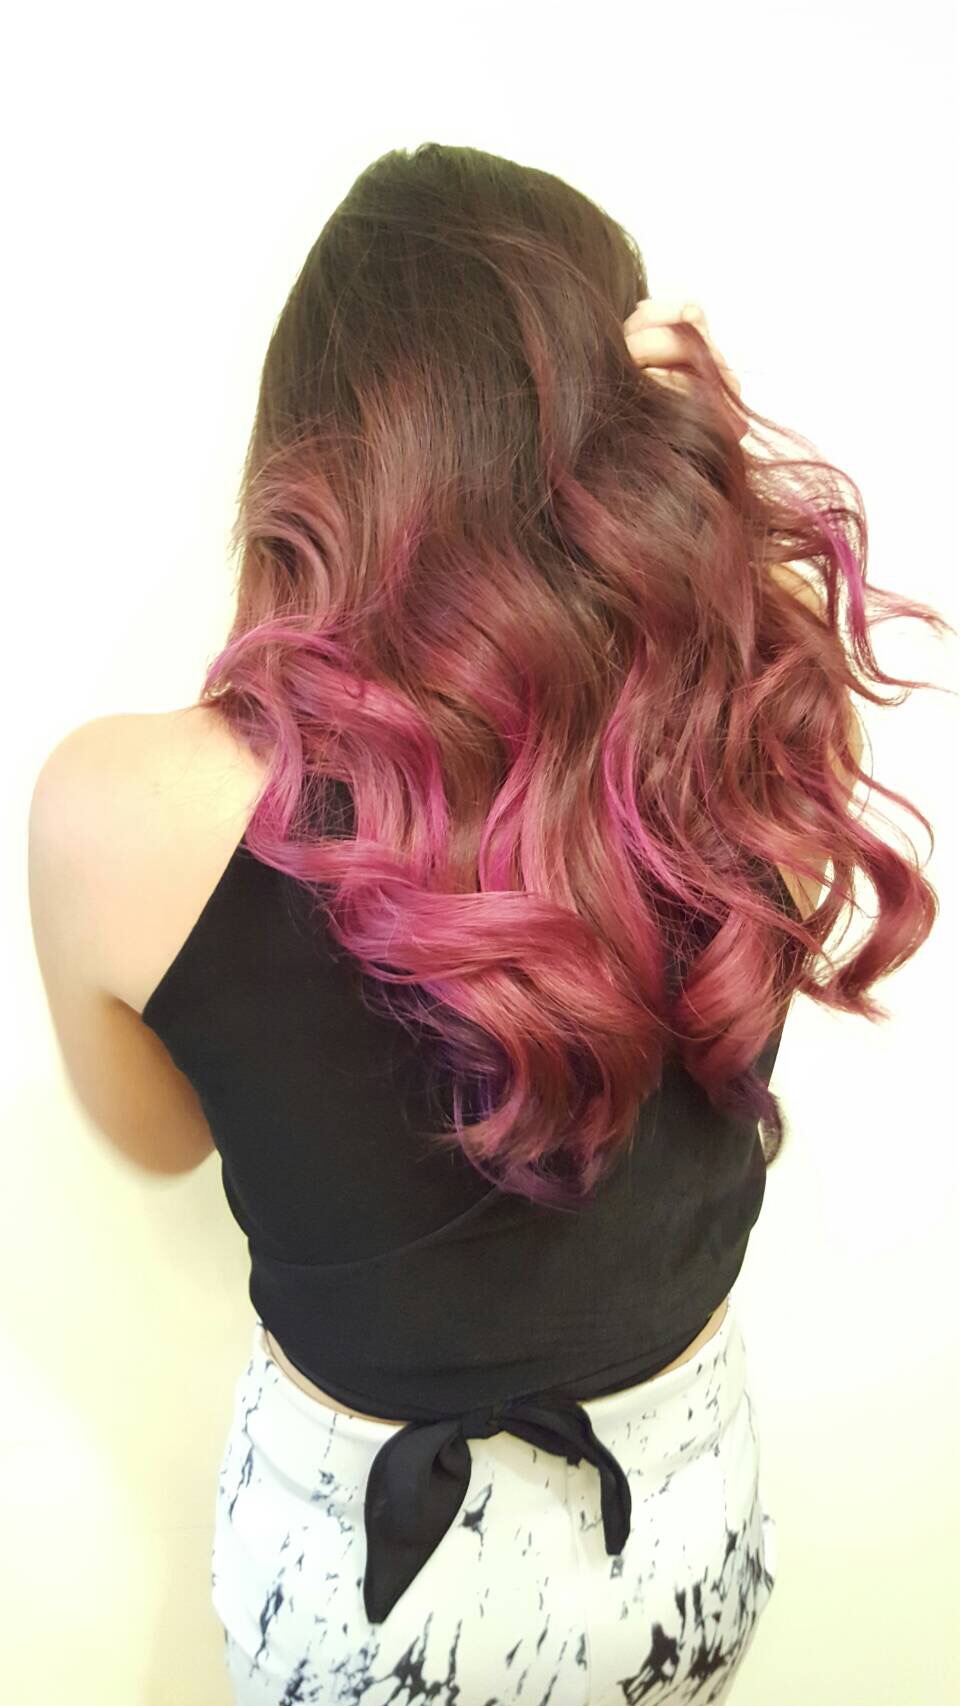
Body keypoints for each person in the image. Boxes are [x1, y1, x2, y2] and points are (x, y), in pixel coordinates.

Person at [29, 144, 944, 1704]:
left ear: (311, 458)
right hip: (681, 1546)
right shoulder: (753, 732)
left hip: (353, 1596)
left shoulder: (121, 810)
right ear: (627, 426)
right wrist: (709, 454)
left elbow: (156, 1136)